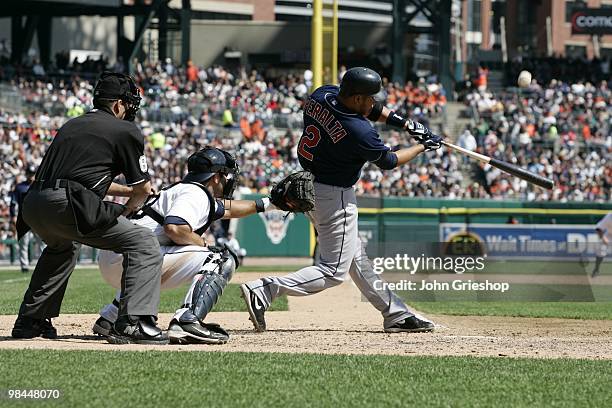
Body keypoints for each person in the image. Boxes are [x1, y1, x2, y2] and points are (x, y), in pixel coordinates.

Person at [240, 67, 443, 333]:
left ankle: (396, 314)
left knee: (355, 257)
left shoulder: (322, 94)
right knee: (333, 271)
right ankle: (264, 289)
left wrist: (405, 124)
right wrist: (422, 146)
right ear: (357, 98)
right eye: (369, 97)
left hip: (310, 183)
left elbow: (370, 109)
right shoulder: (359, 131)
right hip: (334, 195)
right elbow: (390, 160)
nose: (373, 102)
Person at [11, 71, 167, 345]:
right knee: (142, 242)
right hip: (67, 203)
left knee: (63, 246)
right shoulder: (125, 130)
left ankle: (30, 320)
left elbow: (82, 181)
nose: (130, 109)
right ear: (118, 104)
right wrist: (131, 206)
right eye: (129, 103)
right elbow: (142, 188)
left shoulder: (73, 124)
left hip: (34, 203)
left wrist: (129, 194)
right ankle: (132, 322)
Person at [94, 147, 277, 344]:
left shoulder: (184, 189)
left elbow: (229, 209)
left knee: (162, 254)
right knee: (221, 258)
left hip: (119, 256)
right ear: (216, 177)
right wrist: (205, 244)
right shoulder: (195, 193)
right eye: (226, 175)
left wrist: (270, 203)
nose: (228, 180)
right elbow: (175, 228)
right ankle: (187, 321)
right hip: (130, 258)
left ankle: (111, 317)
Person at [10, 167, 44, 273]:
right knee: (23, 244)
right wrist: (13, 216)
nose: (31, 176)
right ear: (26, 174)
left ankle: (44, 264)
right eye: (29, 173)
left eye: (33, 173)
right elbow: (13, 203)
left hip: (38, 219)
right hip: (24, 219)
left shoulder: (40, 185)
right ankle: (24, 266)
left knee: (43, 243)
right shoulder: (20, 187)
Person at [592, 212, 611, 278]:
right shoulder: (609, 217)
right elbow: (599, 228)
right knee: (601, 249)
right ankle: (596, 269)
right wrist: (603, 238)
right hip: (609, 235)